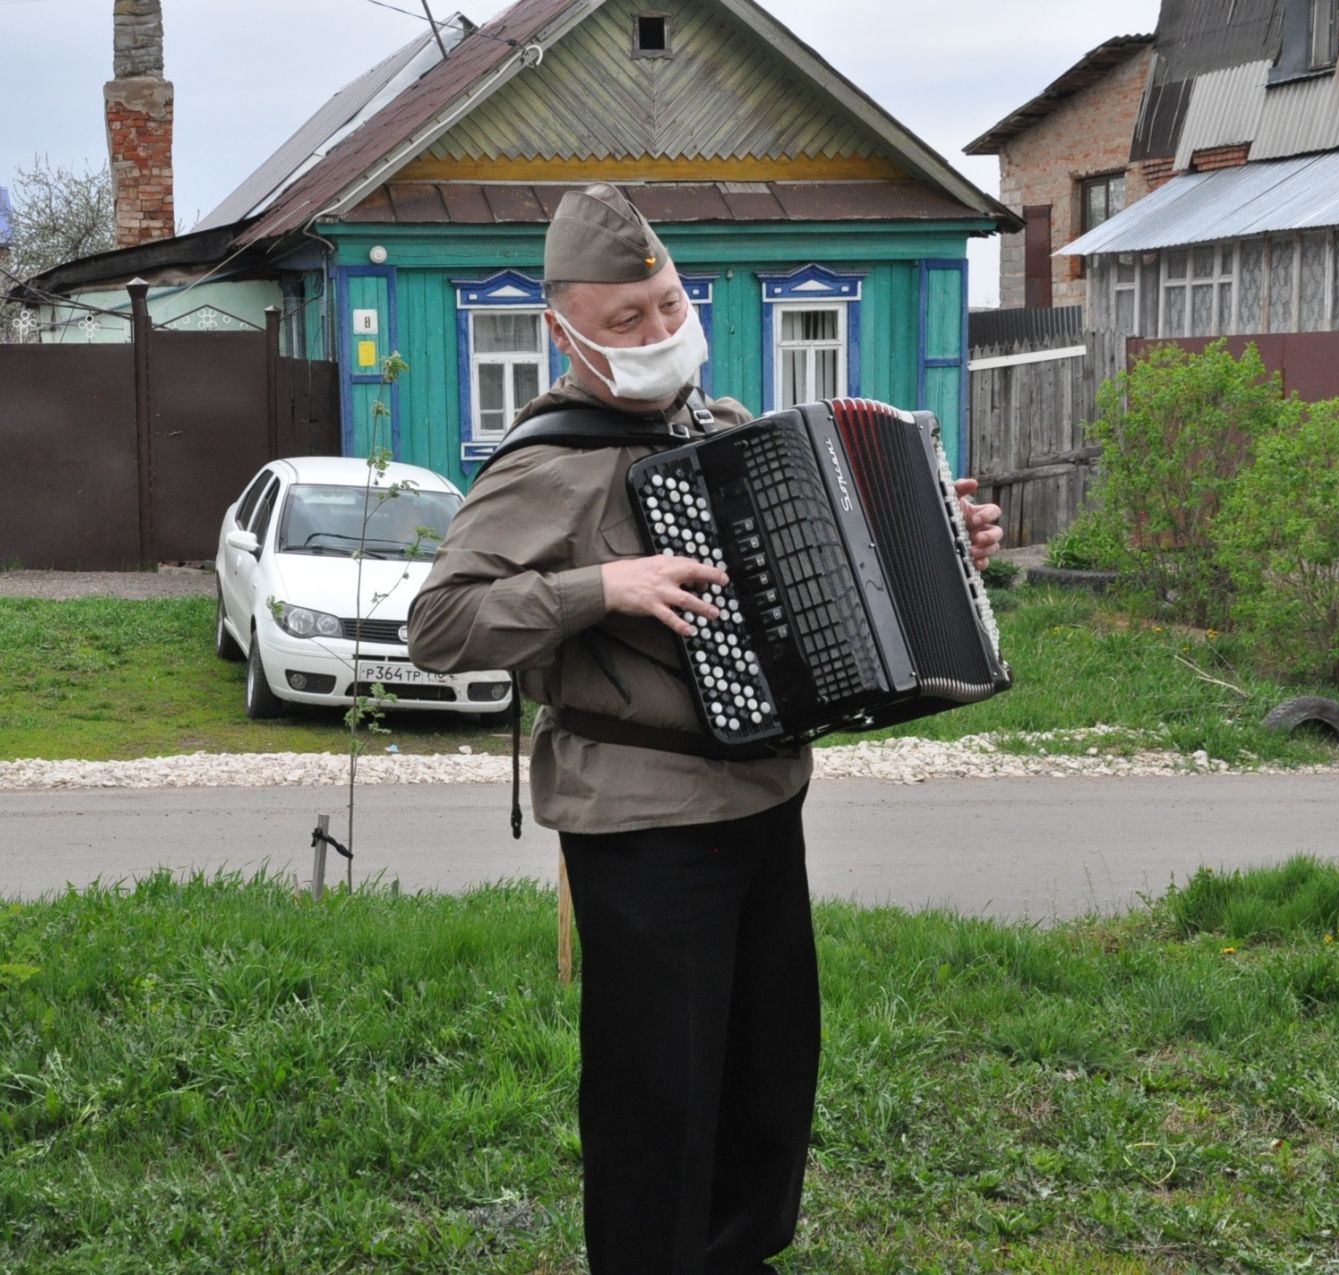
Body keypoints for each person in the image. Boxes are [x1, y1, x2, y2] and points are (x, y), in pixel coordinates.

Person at [407, 184, 1003, 1274]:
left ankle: (737, 1257)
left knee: (766, 1077)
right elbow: (438, 626)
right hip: (641, 822)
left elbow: (834, 573)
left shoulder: (722, 431)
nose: (657, 334)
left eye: (668, 305)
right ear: (564, 329)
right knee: (658, 1097)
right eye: (625, 320)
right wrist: (599, 587)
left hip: (765, 798)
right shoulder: (543, 465)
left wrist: (946, 536)